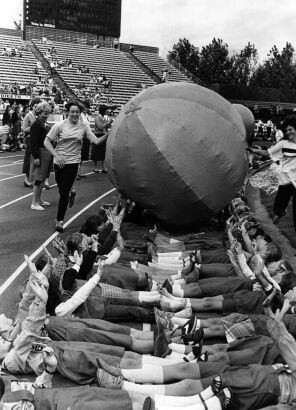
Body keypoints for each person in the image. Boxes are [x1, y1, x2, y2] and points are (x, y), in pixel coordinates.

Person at [44, 101, 108, 232]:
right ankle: (71, 193)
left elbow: (95, 141)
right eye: (72, 111)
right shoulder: (59, 125)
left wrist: (109, 134)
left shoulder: (84, 126)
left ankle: (60, 220)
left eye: (77, 112)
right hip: (59, 163)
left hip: (73, 163)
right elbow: (46, 142)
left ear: (80, 113)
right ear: (68, 112)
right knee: (62, 190)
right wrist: (56, 155)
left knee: (63, 193)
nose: (74, 114)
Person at [251, 115, 296, 229]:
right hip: (286, 180)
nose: (288, 132)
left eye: (290, 129)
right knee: (279, 204)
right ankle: (279, 213)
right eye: (287, 130)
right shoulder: (283, 144)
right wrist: (253, 150)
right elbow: (267, 153)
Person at [29, 102, 52, 211]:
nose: (46, 115)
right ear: (38, 112)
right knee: (38, 178)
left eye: (48, 113)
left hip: (46, 153)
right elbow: (33, 142)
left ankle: (39, 199)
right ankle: (34, 202)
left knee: (42, 178)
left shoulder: (44, 123)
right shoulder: (36, 124)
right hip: (40, 153)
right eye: (44, 113)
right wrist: (36, 157)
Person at [22, 98, 41, 187]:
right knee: (29, 161)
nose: (37, 108)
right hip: (30, 140)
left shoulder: (38, 116)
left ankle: (31, 179)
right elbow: (24, 130)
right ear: (32, 106)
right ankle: (27, 180)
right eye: (35, 106)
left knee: (35, 162)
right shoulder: (28, 116)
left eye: (38, 106)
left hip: (37, 141)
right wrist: (34, 127)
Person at [91, 105, 112, 173]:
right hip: (97, 135)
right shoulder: (97, 117)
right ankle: (95, 167)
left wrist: (110, 123)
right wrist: (108, 123)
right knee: (96, 151)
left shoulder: (104, 117)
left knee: (103, 151)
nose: (107, 111)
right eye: (106, 110)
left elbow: (106, 127)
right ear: (103, 110)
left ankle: (103, 168)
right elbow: (100, 126)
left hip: (103, 134)